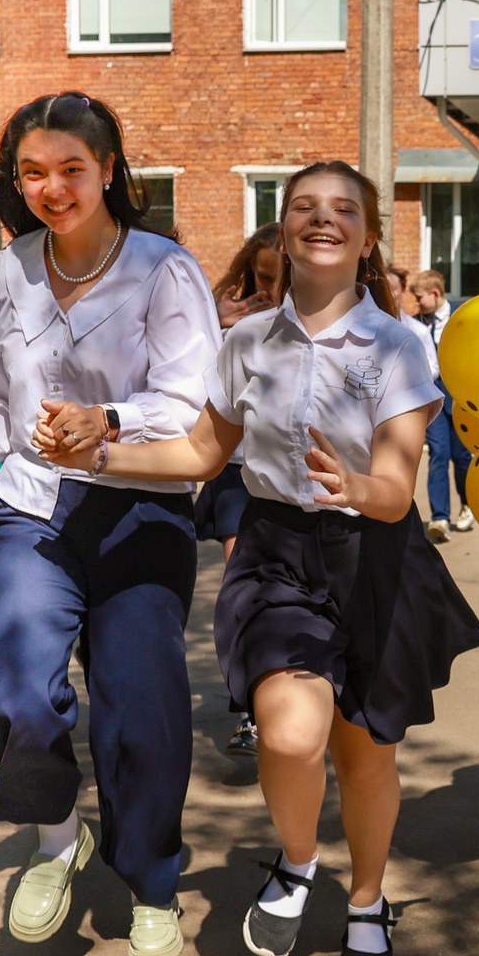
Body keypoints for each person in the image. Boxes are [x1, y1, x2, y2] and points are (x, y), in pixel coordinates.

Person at [35, 161, 479, 956]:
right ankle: (299, 864)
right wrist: (101, 451)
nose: (324, 219)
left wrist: (358, 488)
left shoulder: (400, 343)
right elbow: (204, 453)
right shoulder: (246, 342)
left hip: (375, 554)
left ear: (369, 235)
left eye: (344, 209)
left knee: (366, 757)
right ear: (282, 232)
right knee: (288, 732)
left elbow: (397, 484)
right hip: (277, 551)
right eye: (304, 208)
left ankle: (367, 901)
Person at [0, 93, 217, 956]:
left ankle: (152, 879)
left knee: (139, 703)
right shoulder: (9, 271)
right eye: (33, 172)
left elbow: (188, 404)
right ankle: (60, 843)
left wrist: (107, 421)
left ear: (109, 170)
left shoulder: (165, 270)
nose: (53, 188)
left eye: (72, 169)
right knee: (15, 687)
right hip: (31, 503)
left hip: (139, 503)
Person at [198, 224, 285, 760]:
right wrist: (219, 325)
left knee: (284, 597)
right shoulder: (229, 321)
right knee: (246, 591)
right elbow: (193, 394)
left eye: (282, 278)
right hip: (233, 474)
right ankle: (255, 714)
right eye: (262, 276)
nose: (271, 289)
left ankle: (295, 702)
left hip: (294, 481)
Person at [409, 269, 475, 542]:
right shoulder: (415, 324)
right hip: (432, 401)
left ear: (435, 294)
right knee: (438, 455)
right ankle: (440, 518)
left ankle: (468, 504)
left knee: (461, 458)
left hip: (461, 402)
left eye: (420, 297)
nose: (416, 303)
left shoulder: (463, 318)